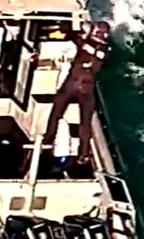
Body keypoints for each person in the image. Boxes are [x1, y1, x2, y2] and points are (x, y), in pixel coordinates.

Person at [41, 19, 111, 167]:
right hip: (86, 88)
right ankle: (83, 153)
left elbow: (76, 39)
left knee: (57, 110)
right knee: (84, 122)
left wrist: (70, 30)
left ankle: (49, 136)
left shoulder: (88, 45)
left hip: (73, 84)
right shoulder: (103, 50)